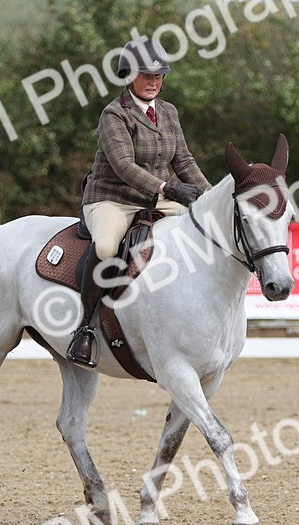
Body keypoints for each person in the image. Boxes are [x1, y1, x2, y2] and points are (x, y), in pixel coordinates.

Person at [66, 38, 212, 366]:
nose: (154, 82)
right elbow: (124, 167)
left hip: (156, 198)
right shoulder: (114, 114)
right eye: (146, 76)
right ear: (128, 76)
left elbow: (184, 160)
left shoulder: (169, 112)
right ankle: (85, 328)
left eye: (159, 77)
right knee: (105, 248)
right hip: (112, 198)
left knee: (200, 230)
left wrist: (209, 196)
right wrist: (168, 189)